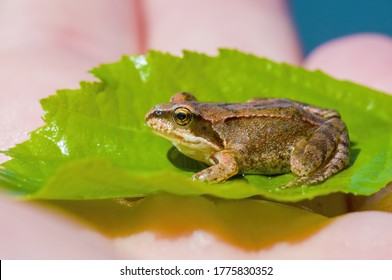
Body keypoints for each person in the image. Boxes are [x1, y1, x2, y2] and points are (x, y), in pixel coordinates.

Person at [1, 0, 392, 259]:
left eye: (182, 117)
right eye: (177, 110)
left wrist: (164, 185)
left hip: (296, 130)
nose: (167, 118)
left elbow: (227, 167)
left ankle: (324, 167)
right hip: (286, 110)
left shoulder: (220, 150)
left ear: (196, 122)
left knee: (304, 166)